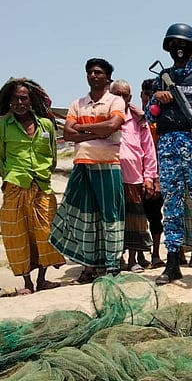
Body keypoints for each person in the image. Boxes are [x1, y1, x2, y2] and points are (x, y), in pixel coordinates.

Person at [147, 23, 192, 284]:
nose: (178, 50)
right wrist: (157, 98)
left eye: (182, 45)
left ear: (191, 47)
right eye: (173, 45)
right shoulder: (163, 77)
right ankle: (172, 262)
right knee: (172, 206)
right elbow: (149, 115)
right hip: (169, 148)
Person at [52, 58, 127, 281]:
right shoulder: (78, 103)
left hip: (108, 165)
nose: (93, 75)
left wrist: (81, 129)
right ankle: (88, 266)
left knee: (111, 216)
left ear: (108, 77)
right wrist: (98, 132)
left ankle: (112, 265)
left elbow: (112, 126)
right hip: (83, 165)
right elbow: (68, 134)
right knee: (85, 216)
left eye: (98, 72)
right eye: (90, 72)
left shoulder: (115, 101)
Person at [0, 77, 65, 294]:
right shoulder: (1, 128)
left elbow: (52, 156)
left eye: (24, 98)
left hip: (42, 185)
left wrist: (43, 173)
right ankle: (27, 283)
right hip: (16, 185)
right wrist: (13, 177)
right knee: (19, 233)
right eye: (16, 99)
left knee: (45, 232)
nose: (20, 103)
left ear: (31, 100)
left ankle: (42, 279)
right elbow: (1, 159)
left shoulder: (46, 125)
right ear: (9, 102)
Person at [112, 79, 158, 272]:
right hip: (111, 177)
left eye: (125, 95)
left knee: (135, 221)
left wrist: (149, 177)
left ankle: (132, 260)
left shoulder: (139, 120)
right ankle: (116, 260)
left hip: (134, 178)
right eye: (117, 94)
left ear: (130, 97)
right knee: (114, 221)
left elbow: (149, 151)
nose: (121, 98)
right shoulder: (105, 117)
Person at [139, 78, 165, 268]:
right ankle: (139, 255)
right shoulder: (133, 119)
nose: (148, 98)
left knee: (155, 216)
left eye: (151, 94)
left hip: (156, 174)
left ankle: (155, 254)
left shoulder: (159, 121)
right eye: (146, 94)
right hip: (134, 175)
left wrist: (156, 177)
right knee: (136, 217)